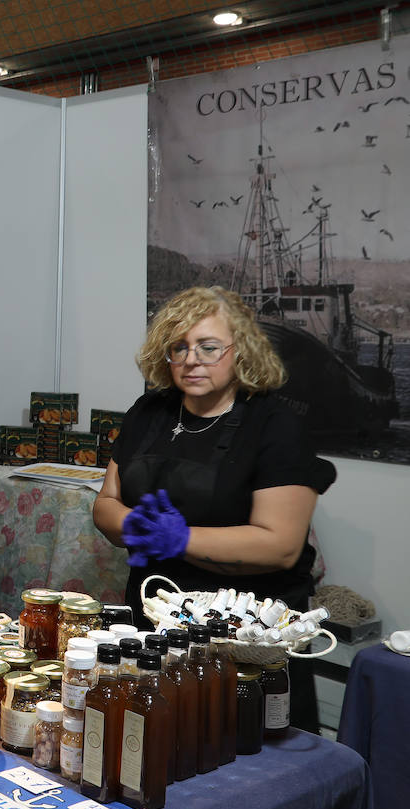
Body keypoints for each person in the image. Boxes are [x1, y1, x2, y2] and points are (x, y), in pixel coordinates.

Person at [92, 285, 334, 732]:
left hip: (247, 635)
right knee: (156, 739)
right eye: (179, 347)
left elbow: (280, 545)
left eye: (208, 347)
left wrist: (179, 539)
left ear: (240, 349)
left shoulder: (276, 426)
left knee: (243, 751)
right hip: (157, 613)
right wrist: (135, 525)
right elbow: (106, 502)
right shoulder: (150, 412)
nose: (192, 358)